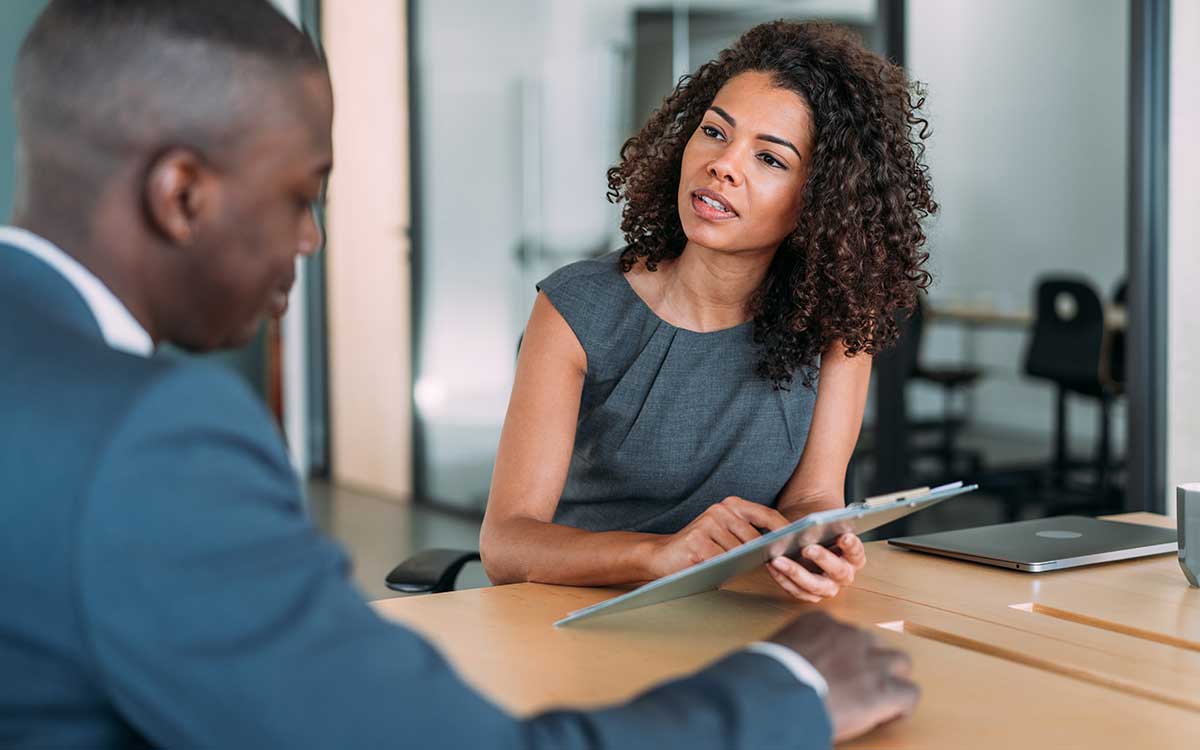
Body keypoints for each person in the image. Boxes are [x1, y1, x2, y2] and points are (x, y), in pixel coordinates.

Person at [0, 2, 919, 748]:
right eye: (298, 195)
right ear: (182, 194)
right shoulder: (153, 440)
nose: (311, 239)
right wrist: (790, 688)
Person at [481, 21, 936, 602]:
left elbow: (811, 498)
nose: (724, 164)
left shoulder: (840, 323)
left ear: (820, 199)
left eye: (770, 159)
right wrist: (659, 556)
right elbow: (506, 545)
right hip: (579, 608)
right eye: (715, 132)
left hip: (737, 610)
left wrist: (821, 542)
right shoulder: (577, 309)